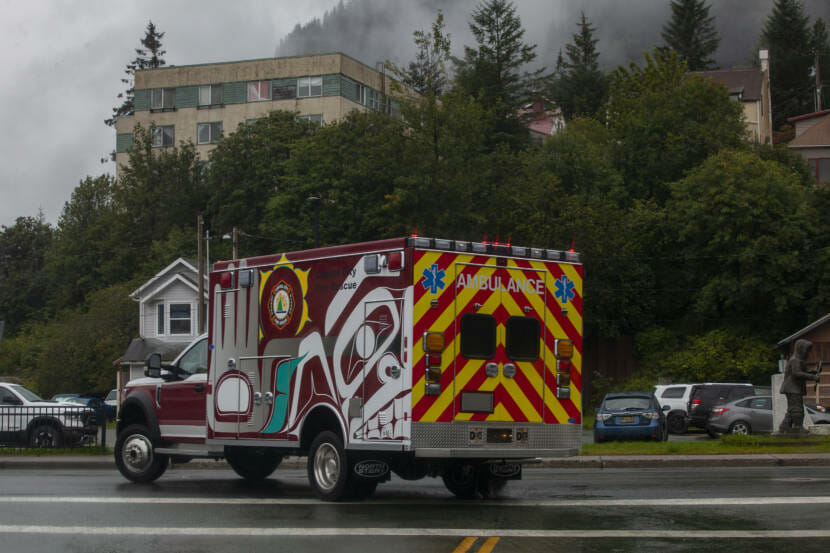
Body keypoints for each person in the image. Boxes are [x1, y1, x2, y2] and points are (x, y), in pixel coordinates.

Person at [778, 339, 820, 434]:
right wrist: (812, 377)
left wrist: (811, 372)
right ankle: (798, 427)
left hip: (793, 388)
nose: (808, 353)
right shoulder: (795, 360)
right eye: (807, 350)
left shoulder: (797, 360)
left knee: (792, 409)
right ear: (801, 349)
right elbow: (797, 373)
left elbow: (801, 372)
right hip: (792, 388)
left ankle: (784, 427)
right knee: (797, 408)